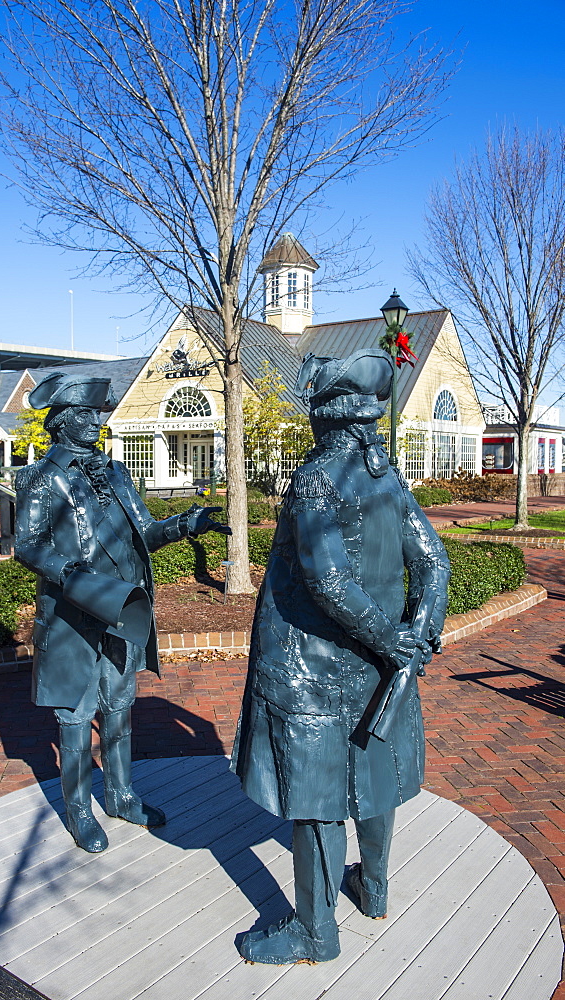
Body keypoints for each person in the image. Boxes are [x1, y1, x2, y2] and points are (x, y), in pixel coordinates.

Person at [232, 349, 450, 965]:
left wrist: (397, 641)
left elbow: (325, 580)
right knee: (373, 776)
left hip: (312, 669)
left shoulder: (316, 478)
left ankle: (315, 932)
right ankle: (373, 890)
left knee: (317, 795)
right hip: (375, 670)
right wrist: (413, 638)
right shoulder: (386, 478)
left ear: (324, 416)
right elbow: (434, 561)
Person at [14, 372, 230, 853]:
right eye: (86, 415)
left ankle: (121, 794)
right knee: (76, 716)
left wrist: (186, 523)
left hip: (123, 609)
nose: (96, 422)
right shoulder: (40, 477)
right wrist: (69, 573)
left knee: (118, 705)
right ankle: (78, 811)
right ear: (63, 422)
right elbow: (26, 546)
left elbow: (145, 533)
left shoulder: (115, 473)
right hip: (73, 615)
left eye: (98, 414)